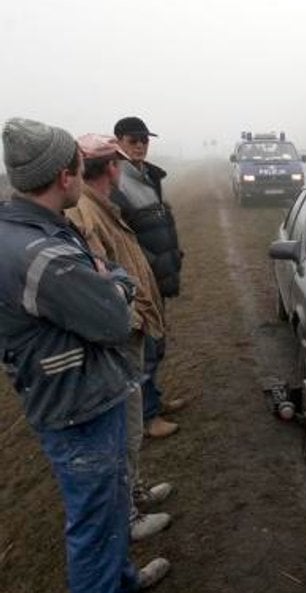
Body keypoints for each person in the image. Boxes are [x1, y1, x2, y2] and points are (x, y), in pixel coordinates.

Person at [0, 117, 169, 591]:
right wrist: (115, 281)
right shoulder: (41, 254)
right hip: (79, 404)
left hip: (77, 393)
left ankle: (123, 580)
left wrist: (102, 276)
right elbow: (114, 316)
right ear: (64, 176)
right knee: (94, 525)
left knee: (108, 508)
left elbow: (99, 277)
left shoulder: (24, 230)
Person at [66, 133, 174, 541]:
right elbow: (101, 284)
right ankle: (126, 514)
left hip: (128, 330)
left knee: (128, 427)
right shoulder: (88, 215)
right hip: (121, 336)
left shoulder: (99, 207)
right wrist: (134, 321)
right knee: (123, 431)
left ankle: (134, 493)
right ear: (112, 166)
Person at [113, 116, 184, 439]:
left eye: (144, 139)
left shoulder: (147, 176)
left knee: (158, 343)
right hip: (140, 280)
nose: (140, 145)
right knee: (146, 350)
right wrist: (149, 266)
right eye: (133, 139)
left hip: (157, 276)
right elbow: (122, 238)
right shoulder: (117, 181)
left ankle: (154, 402)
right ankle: (147, 418)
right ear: (118, 142)